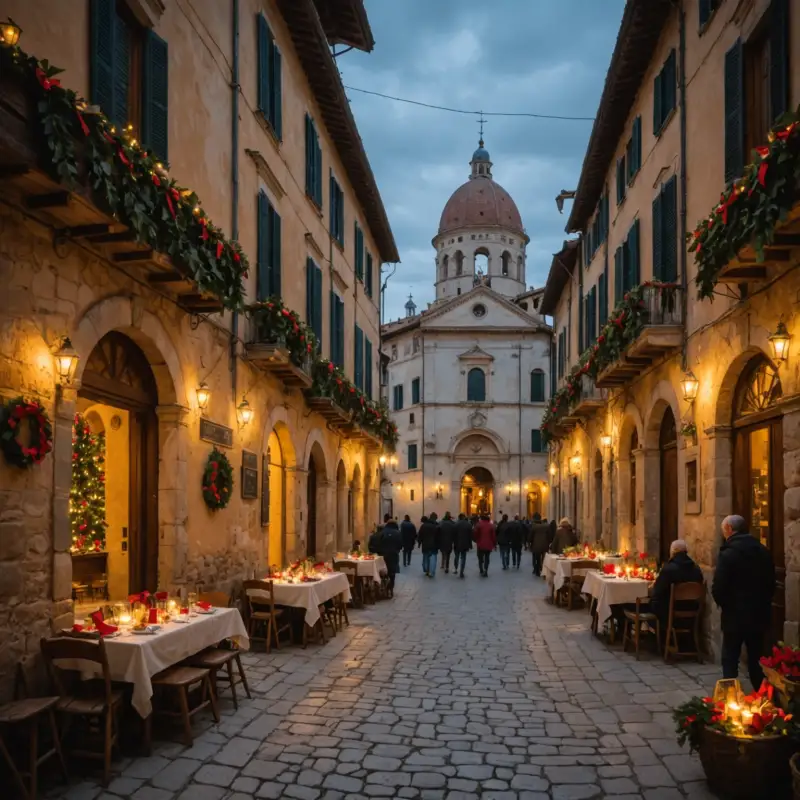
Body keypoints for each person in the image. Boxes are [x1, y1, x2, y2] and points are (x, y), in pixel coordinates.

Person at [712, 515, 776, 690]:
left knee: (730, 657)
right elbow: (771, 583)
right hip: (759, 613)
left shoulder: (728, 554)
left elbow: (719, 587)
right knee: (756, 657)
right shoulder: (762, 551)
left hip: (735, 615)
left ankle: (730, 695)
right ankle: (760, 695)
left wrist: (726, 605)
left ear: (730, 530)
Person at [648, 539, 704, 627]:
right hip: (691, 610)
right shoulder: (696, 569)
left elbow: (657, 591)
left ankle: (656, 635)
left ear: (673, 552)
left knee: (651, 603)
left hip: (670, 612)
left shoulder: (668, 569)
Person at [379, 514, 403, 597]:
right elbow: (400, 545)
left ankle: (383, 587)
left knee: (383, 572)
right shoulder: (398, 533)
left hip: (384, 555)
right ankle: (390, 588)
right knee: (392, 572)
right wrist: (397, 550)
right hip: (394, 555)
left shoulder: (383, 532)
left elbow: (379, 543)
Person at [453, 513, 473, 578]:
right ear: (464, 517)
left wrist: (453, 542)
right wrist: (470, 544)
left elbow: (453, 534)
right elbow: (470, 536)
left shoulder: (455, 524)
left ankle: (456, 568)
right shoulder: (468, 525)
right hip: (465, 544)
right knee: (463, 558)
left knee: (456, 556)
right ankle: (461, 571)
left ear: (459, 518)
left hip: (457, 543)